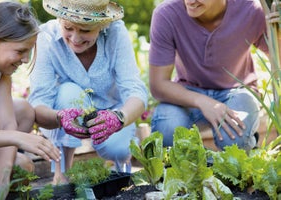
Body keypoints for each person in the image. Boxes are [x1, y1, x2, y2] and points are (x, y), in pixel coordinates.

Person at [28, 0, 148, 185]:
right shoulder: (46, 37)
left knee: (119, 149)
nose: (75, 38)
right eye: (68, 28)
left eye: (85, 30)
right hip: (68, 107)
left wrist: (119, 117)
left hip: (109, 109)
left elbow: (135, 91)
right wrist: (61, 117)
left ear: (102, 25)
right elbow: (39, 102)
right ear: (59, 19)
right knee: (68, 92)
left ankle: (120, 174)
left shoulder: (115, 33)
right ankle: (62, 172)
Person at [148, 0, 280, 151]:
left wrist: (277, 34)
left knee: (234, 142)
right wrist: (203, 102)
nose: (190, 1)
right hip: (188, 92)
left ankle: (247, 146)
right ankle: (195, 167)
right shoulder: (167, 14)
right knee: (167, 129)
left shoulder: (251, 10)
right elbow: (158, 85)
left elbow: (278, 63)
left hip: (237, 91)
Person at [0, 2, 61, 200]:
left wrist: (3, 167)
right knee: (22, 165)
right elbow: (11, 133)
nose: (25, 59)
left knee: (23, 110)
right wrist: (18, 138)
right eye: (20, 51)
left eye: (29, 51)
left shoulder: (0, 73)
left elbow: (7, 123)